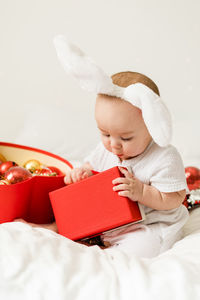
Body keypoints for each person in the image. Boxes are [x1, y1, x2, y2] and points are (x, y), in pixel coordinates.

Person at [16, 70, 188, 258]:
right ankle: (54, 228)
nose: (113, 144)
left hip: (148, 225)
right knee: (77, 208)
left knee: (144, 246)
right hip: (108, 216)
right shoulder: (105, 149)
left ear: (152, 126)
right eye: (105, 133)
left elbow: (175, 198)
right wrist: (83, 173)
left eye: (126, 137)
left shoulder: (164, 156)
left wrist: (142, 192)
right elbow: (91, 167)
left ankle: (108, 253)